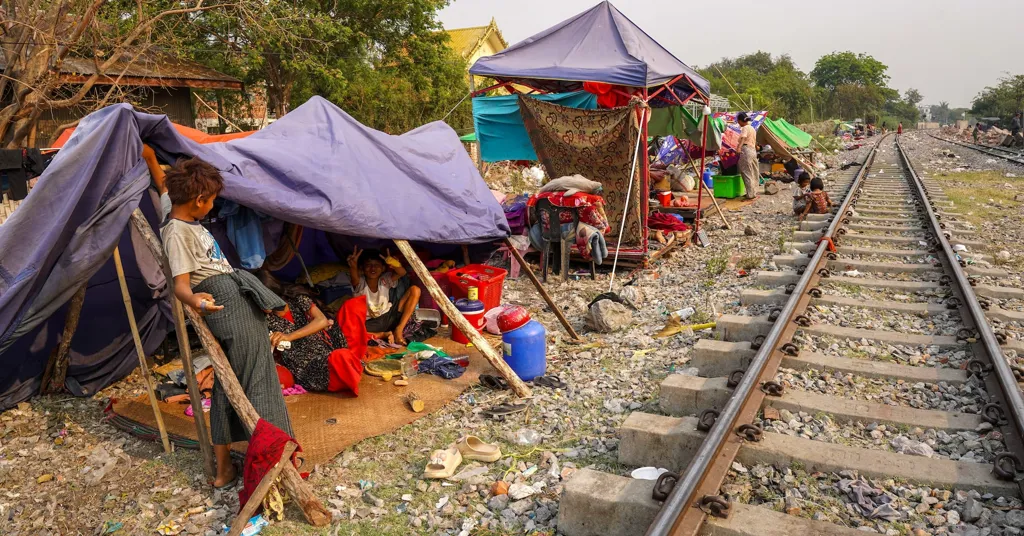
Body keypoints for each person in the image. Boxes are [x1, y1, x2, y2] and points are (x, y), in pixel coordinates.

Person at [160, 157, 292, 488]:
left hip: (232, 300)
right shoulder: (177, 231)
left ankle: (223, 470)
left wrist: (151, 156)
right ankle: (271, 461)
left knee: (226, 386)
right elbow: (180, 285)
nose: (214, 204)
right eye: (213, 199)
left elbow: (164, 181)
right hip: (227, 306)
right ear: (199, 200)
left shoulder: (184, 220)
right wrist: (196, 300)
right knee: (259, 380)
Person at [259, 272, 348, 392]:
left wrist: (289, 336)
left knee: (351, 310)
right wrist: (272, 339)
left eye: (262, 298)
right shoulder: (263, 318)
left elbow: (322, 320)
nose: (260, 303)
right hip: (302, 363)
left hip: (325, 348)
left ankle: (343, 366)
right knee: (331, 370)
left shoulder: (297, 299)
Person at [348, 246, 421, 345]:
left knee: (415, 290)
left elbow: (402, 272)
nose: (373, 268)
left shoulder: (385, 280)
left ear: (383, 268)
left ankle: (399, 330)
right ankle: (382, 334)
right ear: (362, 269)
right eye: (368, 265)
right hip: (370, 323)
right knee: (349, 332)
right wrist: (353, 266)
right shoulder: (360, 283)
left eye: (376, 265)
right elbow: (354, 278)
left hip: (389, 317)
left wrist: (394, 264)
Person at [735, 112, 759, 200]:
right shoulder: (752, 128)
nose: (738, 123)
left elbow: (744, 138)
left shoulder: (745, 128)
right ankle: (753, 192)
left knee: (746, 172)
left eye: (738, 121)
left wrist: (739, 148)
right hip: (753, 151)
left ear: (741, 121)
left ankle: (750, 194)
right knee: (753, 172)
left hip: (746, 150)